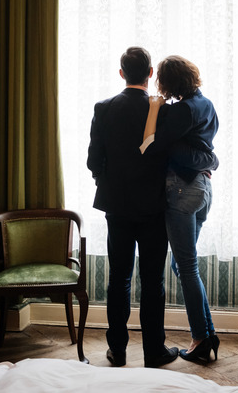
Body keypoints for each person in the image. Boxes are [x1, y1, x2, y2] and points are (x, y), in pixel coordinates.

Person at [86, 46, 179, 369]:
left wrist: (109, 181)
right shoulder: (162, 110)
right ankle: (154, 351)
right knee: (153, 282)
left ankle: (118, 350)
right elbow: (169, 157)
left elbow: (93, 161)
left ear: (122, 72)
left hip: (118, 206)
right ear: (151, 73)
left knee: (119, 279)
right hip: (153, 207)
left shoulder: (104, 108)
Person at [139, 55, 220, 363]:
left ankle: (200, 338)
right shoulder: (206, 104)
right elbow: (204, 150)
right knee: (184, 266)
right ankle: (208, 333)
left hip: (182, 190)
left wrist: (155, 109)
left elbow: (154, 145)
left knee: (186, 267)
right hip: (202, 190)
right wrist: (211, 161)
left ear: (168, 82)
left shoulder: (181, 110)